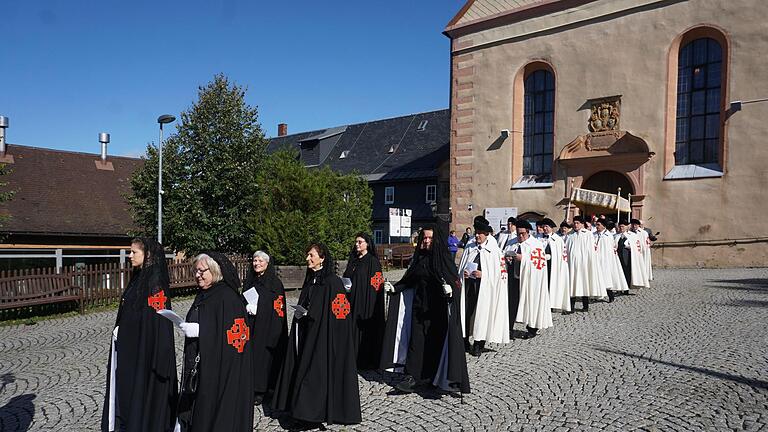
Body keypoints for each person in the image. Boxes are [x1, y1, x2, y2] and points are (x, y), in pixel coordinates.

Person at [272, 243, 361, 426]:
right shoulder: (311, 279)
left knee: (314, 376)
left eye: (311, 255)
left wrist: (310, 315)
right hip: (308, 335)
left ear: (322, 258)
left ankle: (311, 416)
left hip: (324, 339)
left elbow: (340, 313)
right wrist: (301, 314)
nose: (307, 259)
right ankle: (301, 413)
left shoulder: (332, 282)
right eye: (307, 255)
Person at [380, 225, 470, 395]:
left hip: (438, 311)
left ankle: (433, 378)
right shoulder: (419, 258)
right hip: (419, 309)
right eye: (424, 238)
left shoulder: (443, 258)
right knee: (416, 344)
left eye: (430, 238)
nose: (427, 241)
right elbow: (410, 280)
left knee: (434, 345)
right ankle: (412, 377)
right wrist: (395, 288)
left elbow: (455, 282)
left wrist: (450, 290)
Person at [102, 238, 177, 432]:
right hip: (131, 346)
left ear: (148, 255)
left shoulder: (155, 284)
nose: (130, 256)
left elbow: (156, 323)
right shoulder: (138, 277)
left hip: (144, 349)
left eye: (134, 252)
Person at [176, 252, 254, 432]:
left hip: (221, 371)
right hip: (203, 364)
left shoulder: (228, 298)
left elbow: (234, 340)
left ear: (214, 271)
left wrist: (202, 331)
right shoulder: (204, 293)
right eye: (195, 271)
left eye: (202, 271)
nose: (197, 275)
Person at [457, 216, 509, 356]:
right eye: (476, 232)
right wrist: (464, 273)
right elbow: (462, 265)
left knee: (483, 315)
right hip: (469, 286)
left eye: (480, 233)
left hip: (485, 289)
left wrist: (484, 274)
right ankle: (465, 341)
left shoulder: (494, 251)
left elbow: (499, 275)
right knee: (466, 313)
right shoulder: (470, 246)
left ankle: (479, 344)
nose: (477, 235)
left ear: (487, 234)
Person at [243, 250, 288, 404]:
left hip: (267, 326)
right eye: (255, 260)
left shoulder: (275, 283)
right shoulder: (249, 281)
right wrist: (246, 307)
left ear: (267, 264)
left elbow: (278, 308)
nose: (257, 263)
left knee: (263, 358)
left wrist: (259, 308)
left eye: (261, 261)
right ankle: (249, 386)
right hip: (251, 324)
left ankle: (261, 390)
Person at [343, 233, 385, 370]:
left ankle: (364, 360)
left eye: (360, 242)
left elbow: (376, 285)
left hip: (365, 302)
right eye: (356, 242)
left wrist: (370, 303)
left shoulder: (372, 261)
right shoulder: (354, 260)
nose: (357, 244)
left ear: (367, 243)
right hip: (351, 301)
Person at [510, 220, 553, 338]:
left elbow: (538, 264)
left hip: (531, 280)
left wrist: (522, 259)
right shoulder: (512, 242)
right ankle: (509, 328)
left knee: (532, 302)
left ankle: (532, 328)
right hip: (514, 277)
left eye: (522, 234)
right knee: (512, 303)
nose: (520, 236)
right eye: (518, 233)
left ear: (528, 232)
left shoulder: (535, 244)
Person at [565, 215, 607, 313]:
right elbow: (566, 249)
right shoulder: (570, 234)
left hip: (584, 264)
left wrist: (589, 263)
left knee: (584, 283)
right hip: (572, 265)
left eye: (577, 223)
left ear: (582, 224)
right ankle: (571, 307)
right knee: (572, 284)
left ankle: (585, 306)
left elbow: (591, 250)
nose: (575, 225)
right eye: (574, 223)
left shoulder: (588, 234)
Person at [539, 218, 571, 313]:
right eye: (543, 226)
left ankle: (551, 304)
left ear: (551, 228)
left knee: (551, 284)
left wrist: (552, 257)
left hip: (552, 267)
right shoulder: (538, 238)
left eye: (546, 226)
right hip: (541, 266)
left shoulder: (557, 240)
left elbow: (561, 254)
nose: (544, 228)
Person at [594, 219, 628, 302]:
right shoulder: (593, 235)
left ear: (603, 226)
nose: (597, 226)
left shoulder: (608, 236)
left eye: (598, 225)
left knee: (606, 278)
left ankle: (610, 295)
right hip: (596, 259)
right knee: (597, 278)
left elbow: (609, 250)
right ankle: (598, 294)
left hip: (605, 260)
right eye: (596, 225)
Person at [616, 220, 650, 289]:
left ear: (626, 227)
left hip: (627, 255)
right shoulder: (616, 236)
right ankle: (620, 287)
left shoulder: (632, 235)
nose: (621, 228)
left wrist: (629, 246)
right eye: (620, 226)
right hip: (618, 256)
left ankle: (627, 287)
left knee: (626, 271)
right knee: (619, 271)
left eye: (623, 226)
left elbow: (637, 246)